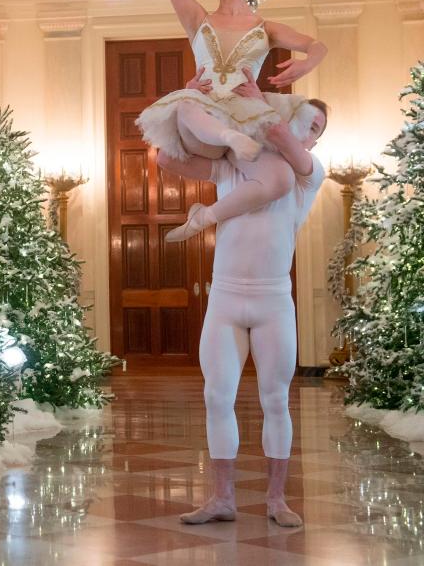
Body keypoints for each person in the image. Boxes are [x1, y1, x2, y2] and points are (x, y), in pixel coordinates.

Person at [157, 70, 328, 528]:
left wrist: (262, 106)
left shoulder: (308, 174)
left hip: (274, 302)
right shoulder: (232, 166)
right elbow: (164, 158)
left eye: (317, 128)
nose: (308, 131)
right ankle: (222, 498)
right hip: (226, 298)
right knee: (217, 397)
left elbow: (279, 136)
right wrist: (186, 99)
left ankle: (276, 500)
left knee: (275, 399)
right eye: (307, 120)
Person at [137, 0, 328, 243]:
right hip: (206, 122)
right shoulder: (198, 19)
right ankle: (227, 139)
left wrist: (306, 64)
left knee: (278, 181)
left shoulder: (265, 27)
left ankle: (203, 217)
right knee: (183, 108)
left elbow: (318, 45)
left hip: (247, 117)